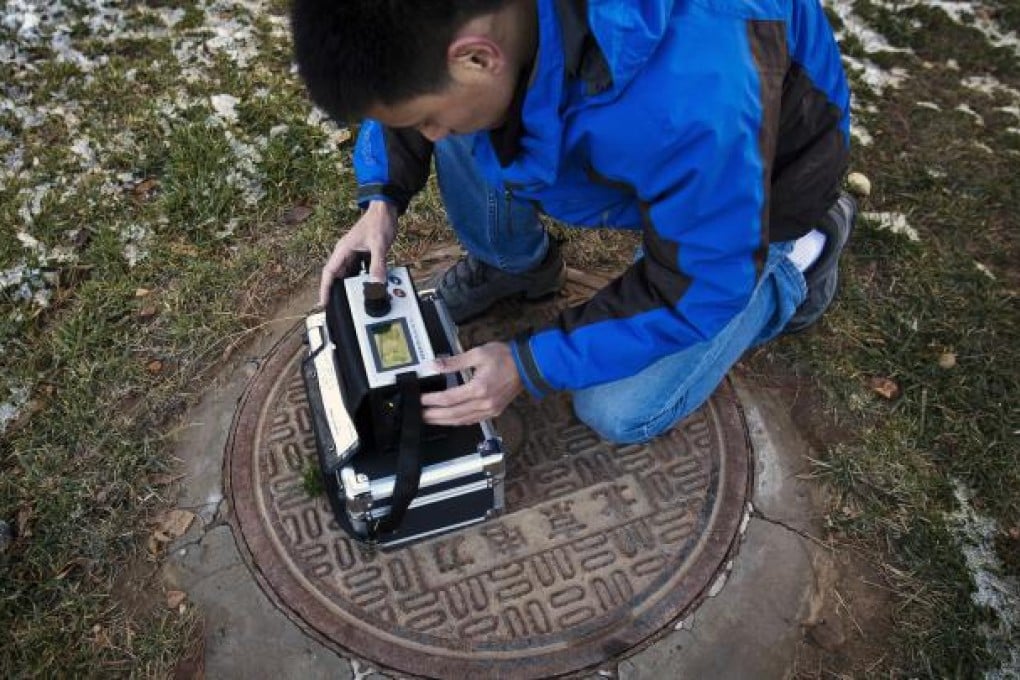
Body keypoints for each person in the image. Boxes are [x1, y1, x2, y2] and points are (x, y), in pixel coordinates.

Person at [291, 0, 856, 444]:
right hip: (638, 126)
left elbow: (697, 289)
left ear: (478, 57)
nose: (429, 134)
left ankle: (802, 257)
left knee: (616, 410)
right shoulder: (470, 37)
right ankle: (515, 268)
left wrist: (528, 363)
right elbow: (408, 63)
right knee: (467, 125)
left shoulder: (696, 96)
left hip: (762, 186)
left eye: (426, 121)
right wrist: (382, 199)